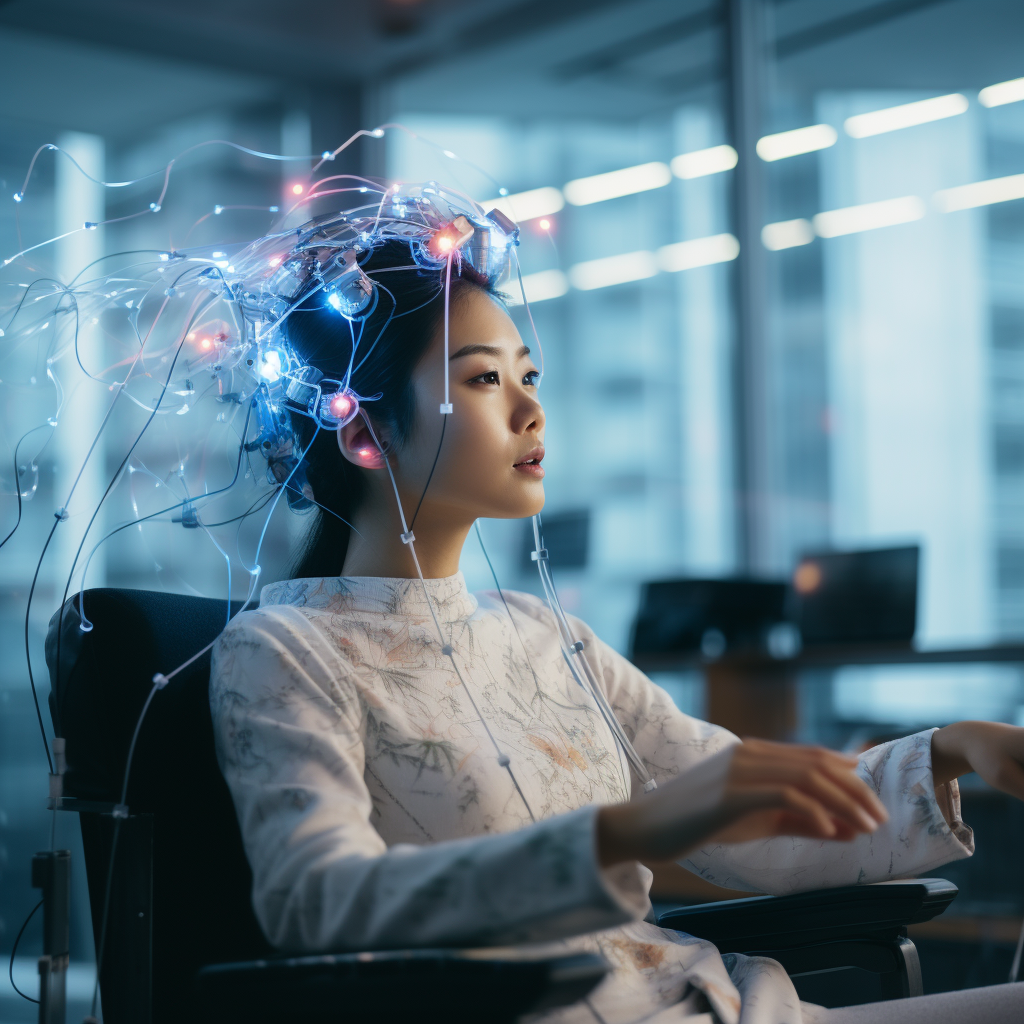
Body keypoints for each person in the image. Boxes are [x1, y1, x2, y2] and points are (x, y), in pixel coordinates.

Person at [209, 235, 1024, 1024]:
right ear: (363, 432)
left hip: (723, 1001)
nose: (532, 409)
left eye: (529, 374)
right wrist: (625, 829)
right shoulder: (285, 651)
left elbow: (753, 811)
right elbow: (317, 902)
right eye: (486, 380)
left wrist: (954, 748)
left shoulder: (544, 636)